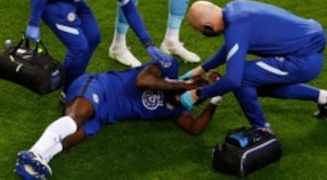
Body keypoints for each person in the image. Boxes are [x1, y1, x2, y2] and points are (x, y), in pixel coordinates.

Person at [14, 58, 221, 179]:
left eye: (195, 100)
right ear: (190, 81)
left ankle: (34, 164)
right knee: (77, 117)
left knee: (72, 138)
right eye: (194, 92)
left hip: (106, 117)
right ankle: (35, 152)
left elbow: (195, 128)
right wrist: (181, 86)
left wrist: (215, 100)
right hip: (100, 87)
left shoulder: (175, 110)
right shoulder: (168, 67)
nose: (188, 99)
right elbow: (142, 80)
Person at [178, 0, 327, 131]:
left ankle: (262, 130)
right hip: (305, 50)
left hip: (302, 61)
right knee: (256, 84)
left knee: (243, 79)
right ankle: (325, 98)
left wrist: (197, 94)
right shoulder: (235, 9)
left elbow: (233, 80)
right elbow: (232, 47)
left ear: (208, 27)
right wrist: (200, 69)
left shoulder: (236, 28)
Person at [25, 0, 172, 91]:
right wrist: (33, 23)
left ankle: (74, 80)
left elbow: (129, 9)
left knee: (93, 37)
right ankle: (68, 90)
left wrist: (148, 43)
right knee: (79, 47)